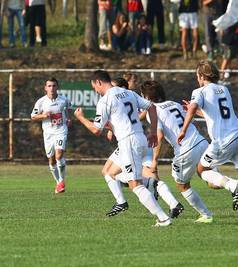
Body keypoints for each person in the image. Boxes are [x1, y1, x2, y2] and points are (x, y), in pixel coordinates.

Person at [74, 70, 172, 226]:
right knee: (118, 174)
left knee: (135, 184)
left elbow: (96, 130)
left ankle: (163, 217)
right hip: (140, 137)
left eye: (94, 87)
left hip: (128, 142)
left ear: (99, 82)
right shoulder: (127, 93)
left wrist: (81, 118)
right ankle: (150, 187)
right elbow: (151, 107)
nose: (95, 91)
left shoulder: (105, 100)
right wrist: (153, 132)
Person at [101, 77, 183, 219]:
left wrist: (111, 127)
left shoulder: (122, 100)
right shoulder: (134, 98)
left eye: (114, 87)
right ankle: (174, 203)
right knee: (139, 175)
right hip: (143, 141)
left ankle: (122, 201)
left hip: (132, 142)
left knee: (110, 173)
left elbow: (135, 118)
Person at [140, 80, 213, 223]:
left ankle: (206, 215)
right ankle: (232, 185)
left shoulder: (152, 110)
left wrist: (154, 161)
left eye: (142, 96)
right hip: (202, 142)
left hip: (186, 150)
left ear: (147, 98)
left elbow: (159, 136)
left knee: (182, 184)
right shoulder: (174, 104)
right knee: (211, 180)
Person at [177, 60, 238, 212]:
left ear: (202, 76)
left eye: (198, 76)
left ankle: (234, 186)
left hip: (223, 140)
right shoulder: (223, 89)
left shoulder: (199, 92)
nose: (197, 79)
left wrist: (183, 130)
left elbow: (192, 109)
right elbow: (215, 115)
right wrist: (195, 110)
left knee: (202, 170)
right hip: (236, 133)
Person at [31, 78, 72, 194]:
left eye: (54, 86)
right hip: (48, 133)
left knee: (59, 155)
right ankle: (58, 182)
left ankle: (62, 181)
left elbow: (68, 108)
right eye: (49, 86)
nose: (51, 88)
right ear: (45, 88)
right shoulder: (41, 102)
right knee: (51, 159)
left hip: (61, 130)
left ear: (57, 87)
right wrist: (43, 116)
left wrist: (69, 118)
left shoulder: (63, 99)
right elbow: (33, 116)